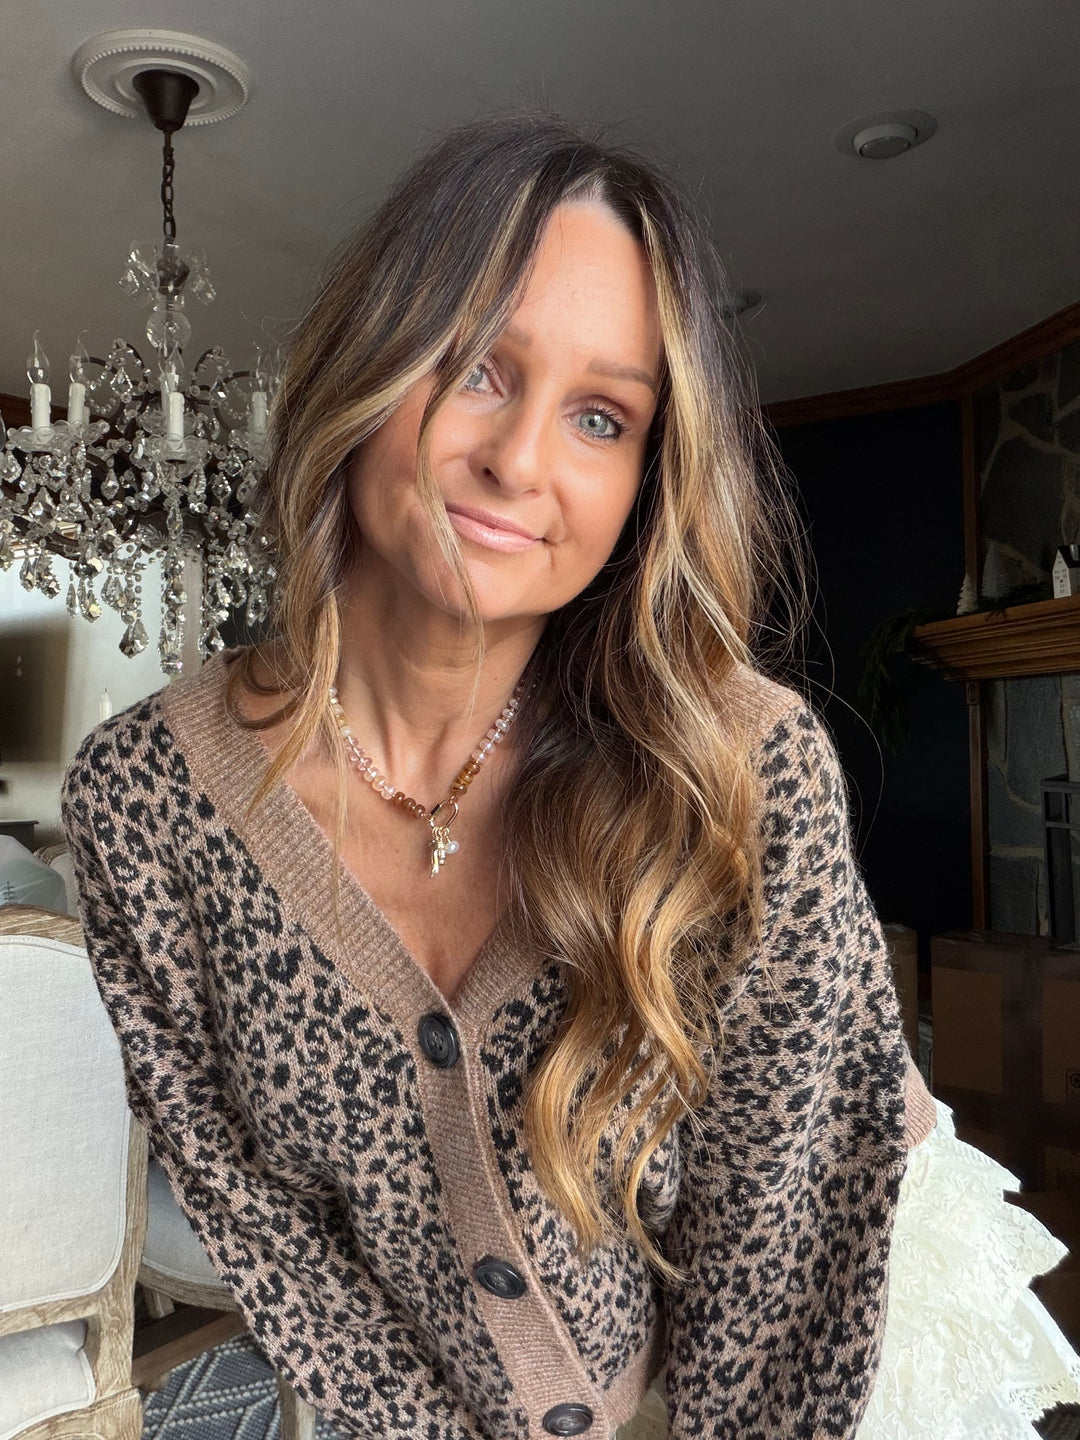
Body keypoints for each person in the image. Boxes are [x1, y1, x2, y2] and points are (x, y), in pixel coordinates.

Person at [59, 110, 1080, 1440]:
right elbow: (256, 1215)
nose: (523, 460)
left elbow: (775, 1265)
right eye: (479, 368)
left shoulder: (733, 771)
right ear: (368, 367)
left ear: (645, 481)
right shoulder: (144, 799)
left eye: (602, 416)